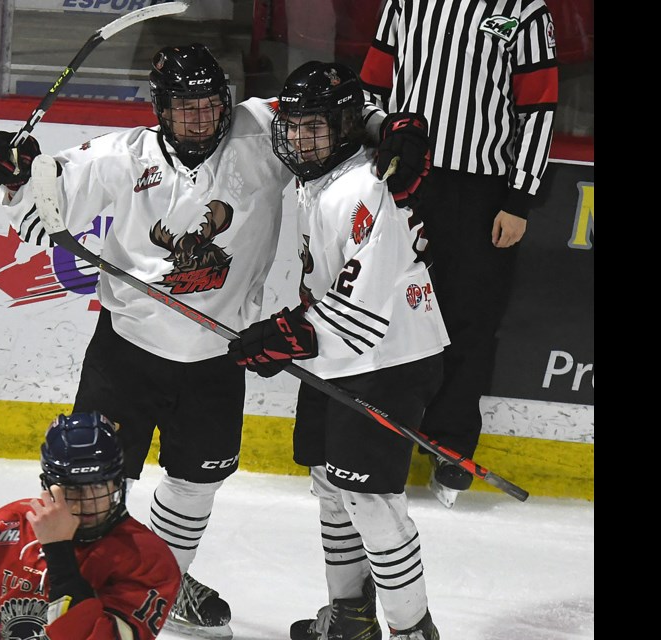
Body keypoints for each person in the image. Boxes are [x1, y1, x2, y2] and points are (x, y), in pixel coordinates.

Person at [0, 43, 430, 638]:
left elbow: (334, 111)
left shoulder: (263, 130)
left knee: (197, 482)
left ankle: (160, 585)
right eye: (184, 107)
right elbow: (42, 200)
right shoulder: (122, 156)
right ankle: (73, 596)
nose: (199, 119)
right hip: (127, 352)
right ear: (161, 108)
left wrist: (392, 126)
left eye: (211, 105)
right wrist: (14, 171)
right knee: (90, 483)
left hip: (217, 357)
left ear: (228, 103)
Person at [227, 61, 448, 640]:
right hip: (342, 353)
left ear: (345, 127)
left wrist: (286, 335)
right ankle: (350, 617)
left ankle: (410, 629)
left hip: (388, 357)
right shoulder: (322, 172)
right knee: (330, 481)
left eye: (315, 128)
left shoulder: (364, 186)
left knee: (370, 498)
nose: (300, 139)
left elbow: (362, 310)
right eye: (293, 127)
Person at [359, 0, 559, 507]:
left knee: (468, 320)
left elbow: (538, 107)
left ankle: (450, 443)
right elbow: (372, 87)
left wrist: (519, 200)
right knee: (389, 312)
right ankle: (386, 433)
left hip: (481, 193)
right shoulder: (405, 2)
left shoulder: (526, 10)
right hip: (404, 182)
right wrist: (372, 159)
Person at [0, 411, 181, 640]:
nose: (86, 502)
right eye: (72, 489)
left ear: (117, 483)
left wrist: (58, 552)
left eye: (98, 486)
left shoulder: (147, 559)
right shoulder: (1, 529)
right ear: (49, 485)